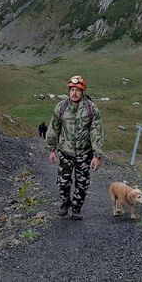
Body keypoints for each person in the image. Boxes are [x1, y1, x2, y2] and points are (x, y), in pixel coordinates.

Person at [45, 75, 104, 220]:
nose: (74, 93)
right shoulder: (61, 107)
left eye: (77, 90)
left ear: (82, 91)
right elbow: (54, 128)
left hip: (84, 154)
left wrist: (97, 155)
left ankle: (76, 208)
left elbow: (96, 131)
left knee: (82, 184)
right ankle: (65, 203)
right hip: (65, 152)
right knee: (63, 183)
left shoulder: (91, 109)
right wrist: (52, 149)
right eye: (72, 90)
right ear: (69, 91)